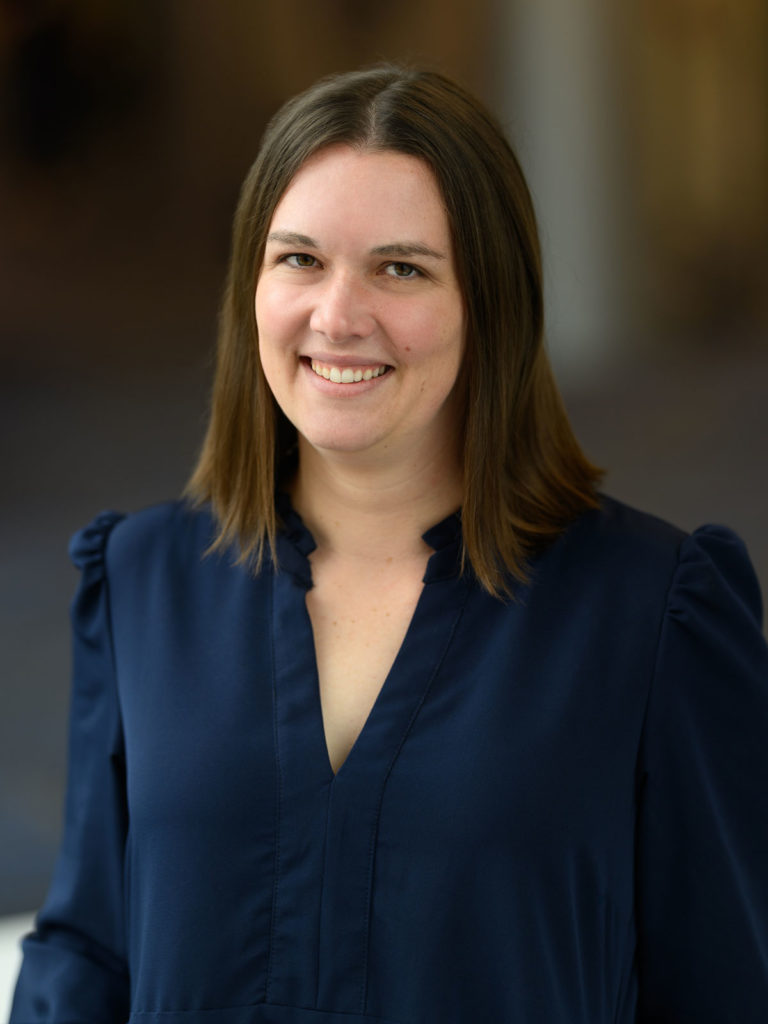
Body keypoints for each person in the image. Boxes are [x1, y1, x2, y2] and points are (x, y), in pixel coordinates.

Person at [10, 65, 768, 1024]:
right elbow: (91, 949)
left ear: (490, 304)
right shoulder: (139, 583)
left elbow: (725, 988)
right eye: (300, 260)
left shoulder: (654, 611)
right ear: (251, 287)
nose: (337, 316)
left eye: (401, 268)